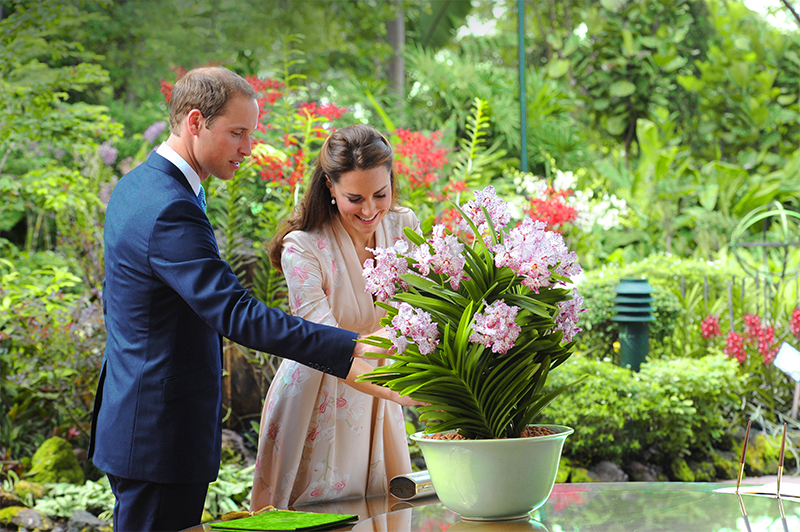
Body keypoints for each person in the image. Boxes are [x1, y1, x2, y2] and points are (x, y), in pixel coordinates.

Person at [87, 67, 403, 532]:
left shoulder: (139, 186)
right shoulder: (168, 206)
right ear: (196, 122)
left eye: (251, 133)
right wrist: (349, 347)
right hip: (158, 433)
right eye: (238, 133)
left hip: (142, 421)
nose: (248, 148)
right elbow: (234, 312)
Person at [250, 124, 421, 510]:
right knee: (314, 513)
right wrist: (406, 392)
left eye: (381, 194)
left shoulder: (403, 226)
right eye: (354, 198)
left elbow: (421, 312)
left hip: (382, 392)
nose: (370, 210)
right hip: (318, 391)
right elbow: (327, 347)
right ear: (329, 186)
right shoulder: (304, 248)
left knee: (381, 509)